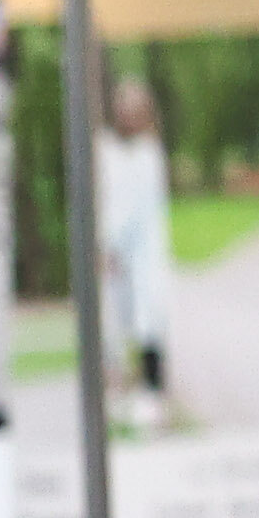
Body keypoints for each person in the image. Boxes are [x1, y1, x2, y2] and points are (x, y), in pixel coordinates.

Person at [100, 73, 174, 425]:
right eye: (122, 108)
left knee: (148, 322)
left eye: (133, 109)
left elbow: (130, 211)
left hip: (142, 254)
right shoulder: (111, 150)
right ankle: (118, 389)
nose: (126, 115)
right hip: (119, 256)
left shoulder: (148, 155)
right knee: (116, 323)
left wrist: (111, 245)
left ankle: (152, 396)